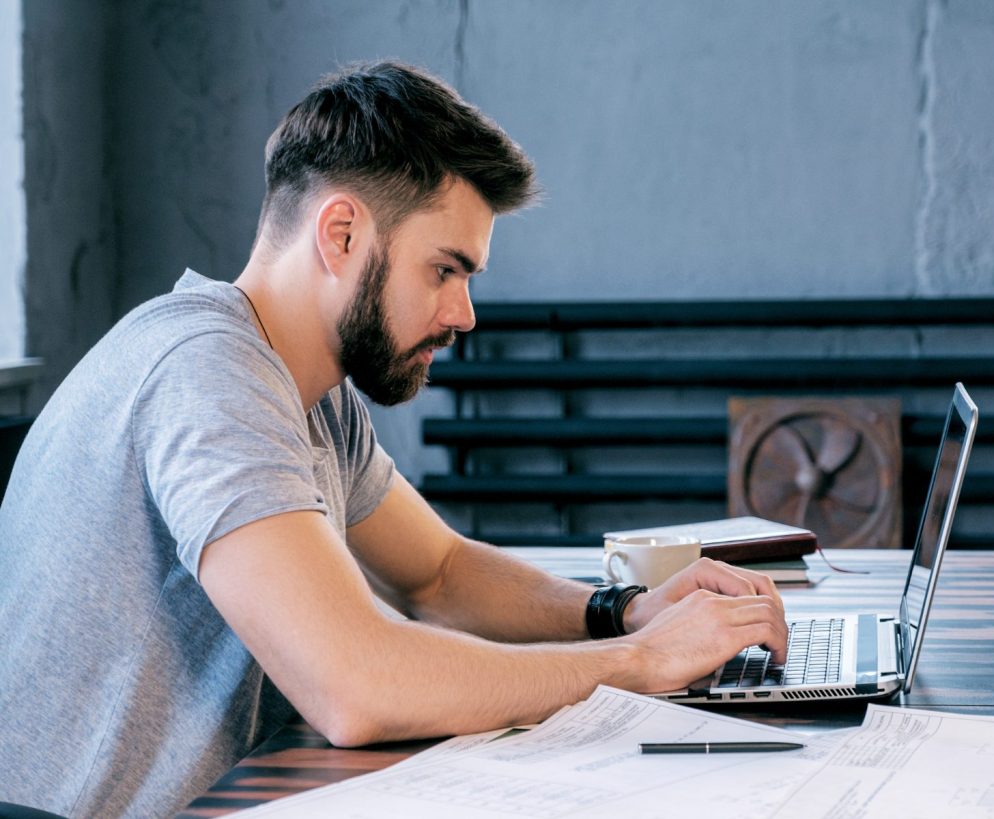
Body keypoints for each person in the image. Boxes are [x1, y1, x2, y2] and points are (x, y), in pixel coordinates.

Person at [0, 61, 788, 818]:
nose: (465, 313)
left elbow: (439, 573)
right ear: (340, 233)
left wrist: (624, 612)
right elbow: (356, 684)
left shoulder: (308, 391)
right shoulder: (208, 373)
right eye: (445, 270)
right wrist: (642, 666)